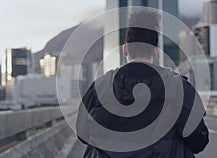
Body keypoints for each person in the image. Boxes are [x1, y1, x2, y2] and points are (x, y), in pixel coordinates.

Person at [76, 10, 209, 158]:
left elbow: (82, 134)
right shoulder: (179, 88)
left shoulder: (99, 87)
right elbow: (199, 140)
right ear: (155, 51)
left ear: (125, 49)